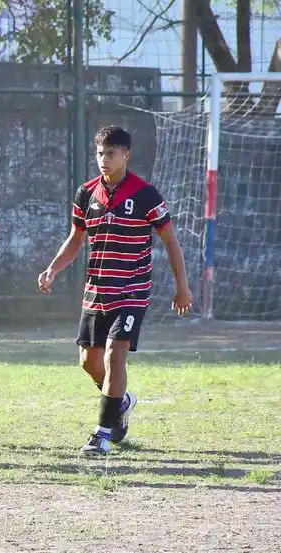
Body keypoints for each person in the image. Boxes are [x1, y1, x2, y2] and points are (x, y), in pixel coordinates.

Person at [38, 125, 192, 456]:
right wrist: (53, 267)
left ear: (126, 155)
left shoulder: (146, 194)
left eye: (110, 153)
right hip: (97, 289)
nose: (104, 159)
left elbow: (171, 241)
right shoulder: (85, 194)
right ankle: (120, 403)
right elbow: (76, 238)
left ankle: (103, 433)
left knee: (114, 353)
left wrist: (182, 287)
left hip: (133, 289)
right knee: (88, 361)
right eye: (99, 153)